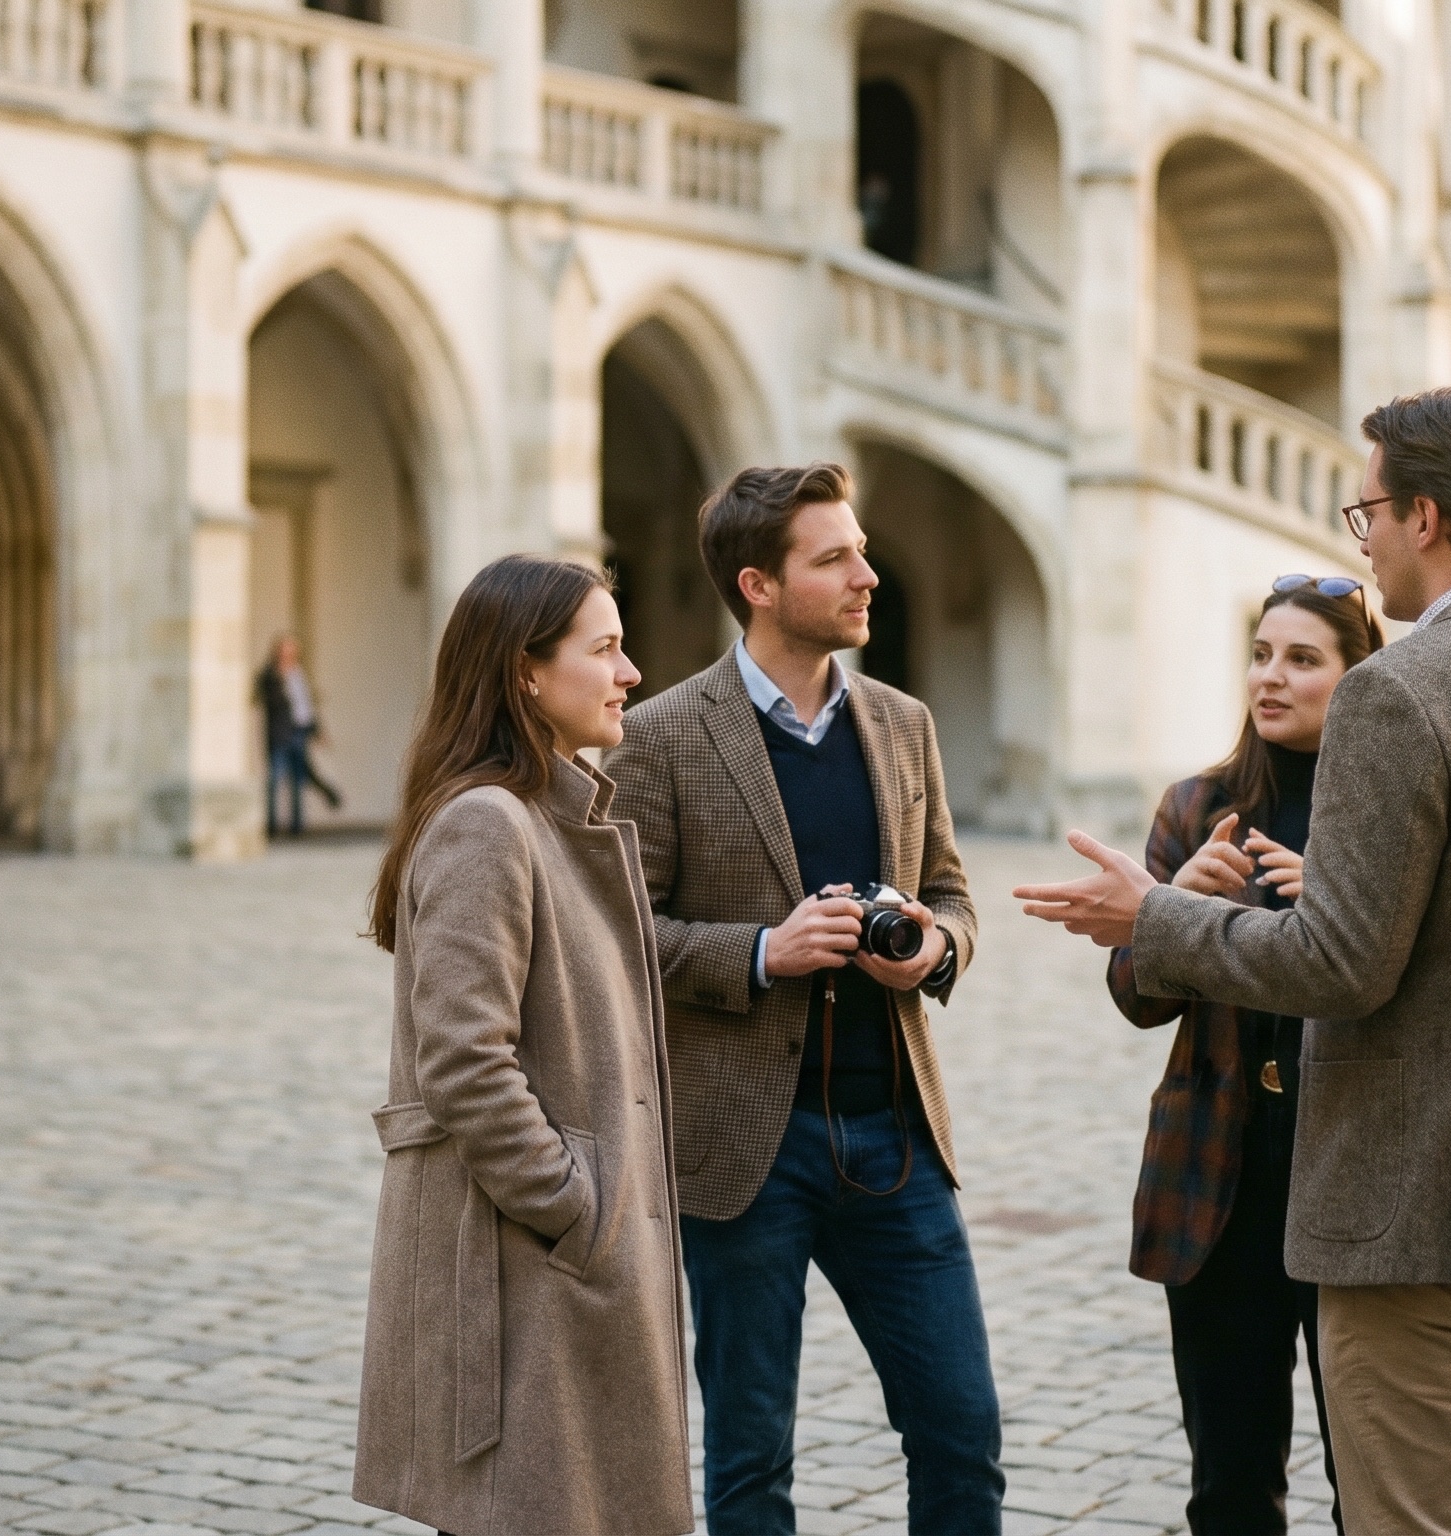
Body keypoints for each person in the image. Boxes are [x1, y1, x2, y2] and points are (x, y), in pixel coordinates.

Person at [1017, 386, 1451, 1532]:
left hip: (1429, 1213)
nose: (1367, 540)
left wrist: (1156, 917)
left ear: (1424, 517)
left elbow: (1339, 965)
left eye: (1368, 514)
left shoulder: (1398, 689)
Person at [604, 462, 1000, 1535]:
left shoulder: (904, 722)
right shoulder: (661, 735)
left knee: (961, 1434)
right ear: (760, 585)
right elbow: (621, 937)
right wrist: (762, 952)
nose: (868, 575)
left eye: (861, 551)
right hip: (747, 1151)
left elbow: (953, 894)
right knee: (750, 1457)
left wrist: (933, 948)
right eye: (836, 559)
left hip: (897, 1137)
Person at [352, 556, 691, 1536]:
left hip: (558, 1267)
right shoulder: (487, 824)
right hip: (519, 1272)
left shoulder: (555, 815)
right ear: (526, 673)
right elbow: (465, 1063)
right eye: (605, 649)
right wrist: (575, 1207)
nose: (630, 673)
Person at [1110, 574, 1383, 1533]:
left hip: (1352, 1176)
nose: (1271, 677)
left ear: (1358, 677)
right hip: (1217, 1180)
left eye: (1303, 659)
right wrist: (1172, 907)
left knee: (1373, 1484)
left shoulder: (1388, 808)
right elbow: (1135, 997)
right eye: (1261, 655)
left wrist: (1341, 911)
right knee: (1229, 1484)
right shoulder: (1199, 806)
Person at [256, 633, 342, 838]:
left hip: (299, 733)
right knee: (275, 779)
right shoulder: (270, 675)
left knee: (298, 780)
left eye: (292, 651)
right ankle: (272, 827)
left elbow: (305, 706)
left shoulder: (298, 674)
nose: (289, 655)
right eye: (285, 651)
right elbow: (270, 700)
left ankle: (297, 827)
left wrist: (316, 730)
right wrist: (281, 679)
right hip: (279, 734)